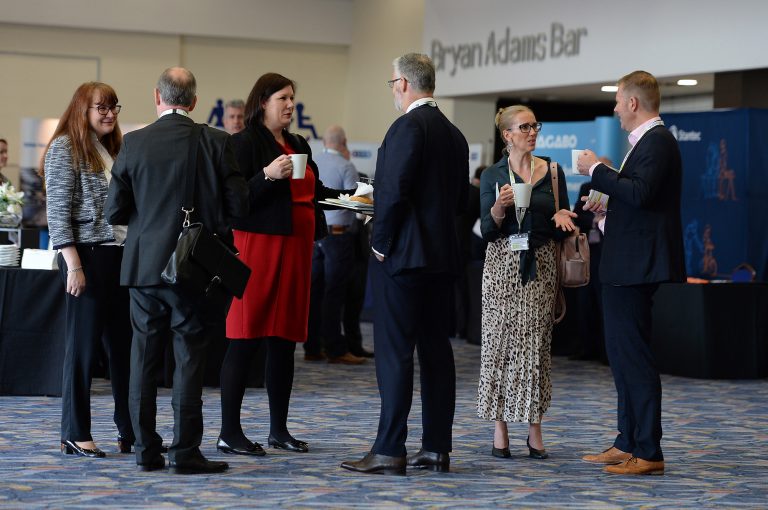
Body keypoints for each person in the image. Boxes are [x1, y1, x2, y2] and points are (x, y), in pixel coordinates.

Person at [105, 67, 249, 474]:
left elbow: (113, 210)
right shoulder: (217, 142)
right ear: (195, 101)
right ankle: (185, 452)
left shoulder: (133, 143)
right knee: (189, 359)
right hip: (194, 269)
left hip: (144, 267)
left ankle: (145, 451)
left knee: (143, 360)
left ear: (157, 97)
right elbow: (240, 207)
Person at [341, 53, 468, 475]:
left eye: (392, 82)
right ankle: (436, 448)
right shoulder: (454, 134)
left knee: (394, 353)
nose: (392, 89)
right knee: (435, 351)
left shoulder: (407, 127)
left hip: (405, 259)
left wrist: (379, 243)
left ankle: (389, 449)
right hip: (442, 259)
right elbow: (459, 202)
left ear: (404, 84)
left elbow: (393, 193)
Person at [218, 73, 355, 457]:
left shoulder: (298, 143)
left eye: (293, 98)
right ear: (263, 101)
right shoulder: (242, 143)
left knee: (284, 342)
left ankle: (279, 430)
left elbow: (316, 193)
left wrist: (355, 197)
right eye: (283, 98)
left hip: (296, 251)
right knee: (245, 338)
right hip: (258, 248)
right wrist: (266, 175)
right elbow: (235, 202)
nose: (290, 105)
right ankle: (229, 431)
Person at [577, 70, 685, 476]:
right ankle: (627, 440)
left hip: (637, 266)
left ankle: (648, 450)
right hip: (627, 263)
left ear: (634, 104)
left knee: (634, 358)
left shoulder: (657, 142)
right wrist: (606, 208)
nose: (616, 108)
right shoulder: (646, 143)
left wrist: (596, 171)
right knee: (622, 357)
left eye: (619, 100)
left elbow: (639, 192)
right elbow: (639, 200)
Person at [475, 105, 576, 461]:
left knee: (534, 346)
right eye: (525, 126)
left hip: (541, 263)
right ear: (507, 135)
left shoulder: (553, 171)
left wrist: (561, 214)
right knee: (499, 345)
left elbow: (560, 216)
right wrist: (499, 209)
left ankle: (535, 429)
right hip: (502, 263)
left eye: (536, 125)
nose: (533, 131)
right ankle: (500, 428)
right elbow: (488, 232)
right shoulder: (493, 175)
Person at [41, 82, 133, 458]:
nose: (109, 113)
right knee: (82, 351)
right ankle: (75, 432)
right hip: (88, 260)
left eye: (114, 106)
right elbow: (58, 215)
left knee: (125, 352)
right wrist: (74, 266)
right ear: (83, 109)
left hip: (120, 259)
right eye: (101, 107)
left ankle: (129, 431)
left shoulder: (114, 149)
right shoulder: (65, 147)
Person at [305, 125, 366, 364]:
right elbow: (358, 205)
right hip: (339, 238)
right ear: (345, 142)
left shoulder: (313, 162)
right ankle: (335, 348)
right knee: (334, 294)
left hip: (315, 235)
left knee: (315, 292)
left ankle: (312, 346)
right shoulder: (346, 166)